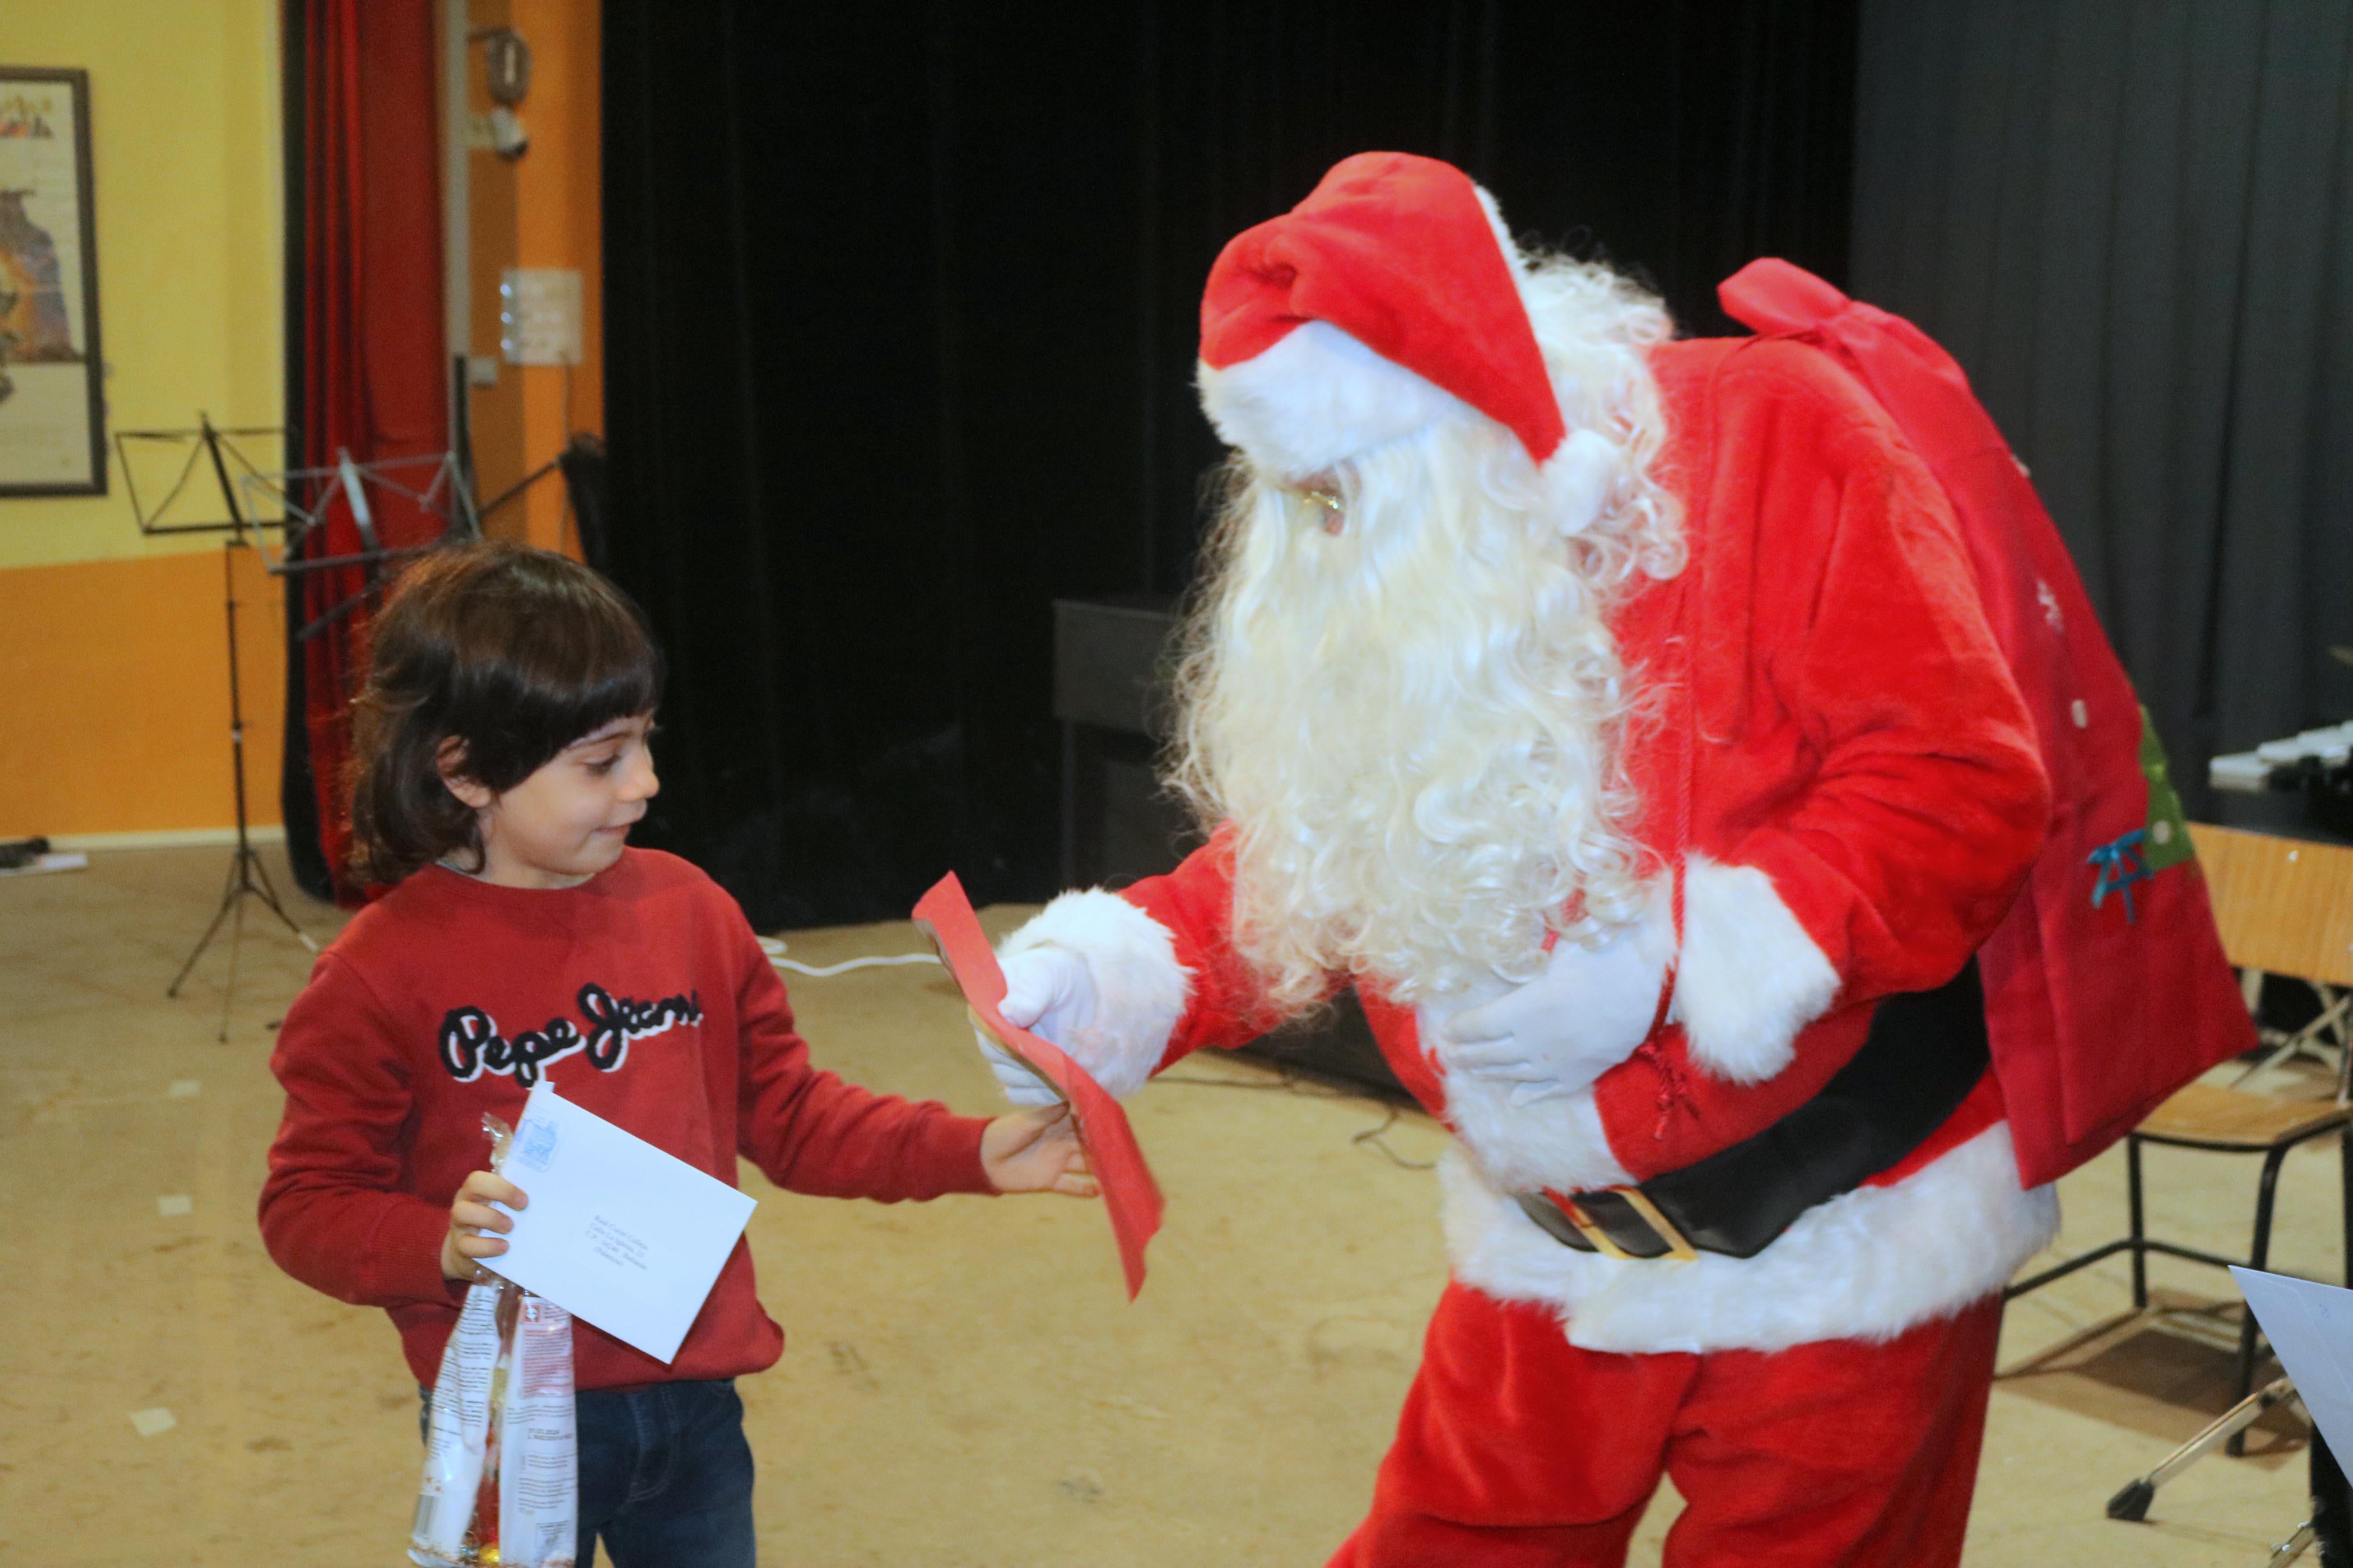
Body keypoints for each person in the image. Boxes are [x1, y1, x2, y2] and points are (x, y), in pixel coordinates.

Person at [984, 153, 2054, 1566]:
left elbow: (1959, 781)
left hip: (1840, 1218)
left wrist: (1675, 958)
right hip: (1547, 1232)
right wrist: (1125, 977)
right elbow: (1323, 845)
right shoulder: (1391, 554)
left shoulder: (1772, 436)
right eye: (1297, 496)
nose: (1323, 535)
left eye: (1346, 488)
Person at [258, 539, 1093, 1567]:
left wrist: (971, 1152)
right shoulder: (375, 976)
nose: (647, 781)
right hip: (509, 1422)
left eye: (646, 742)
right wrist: (435, 1241)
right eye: (603, 761)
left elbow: (788, 1112)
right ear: (467, 770)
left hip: (697, 1396)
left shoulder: (691, 910)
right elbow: (304, 1203)